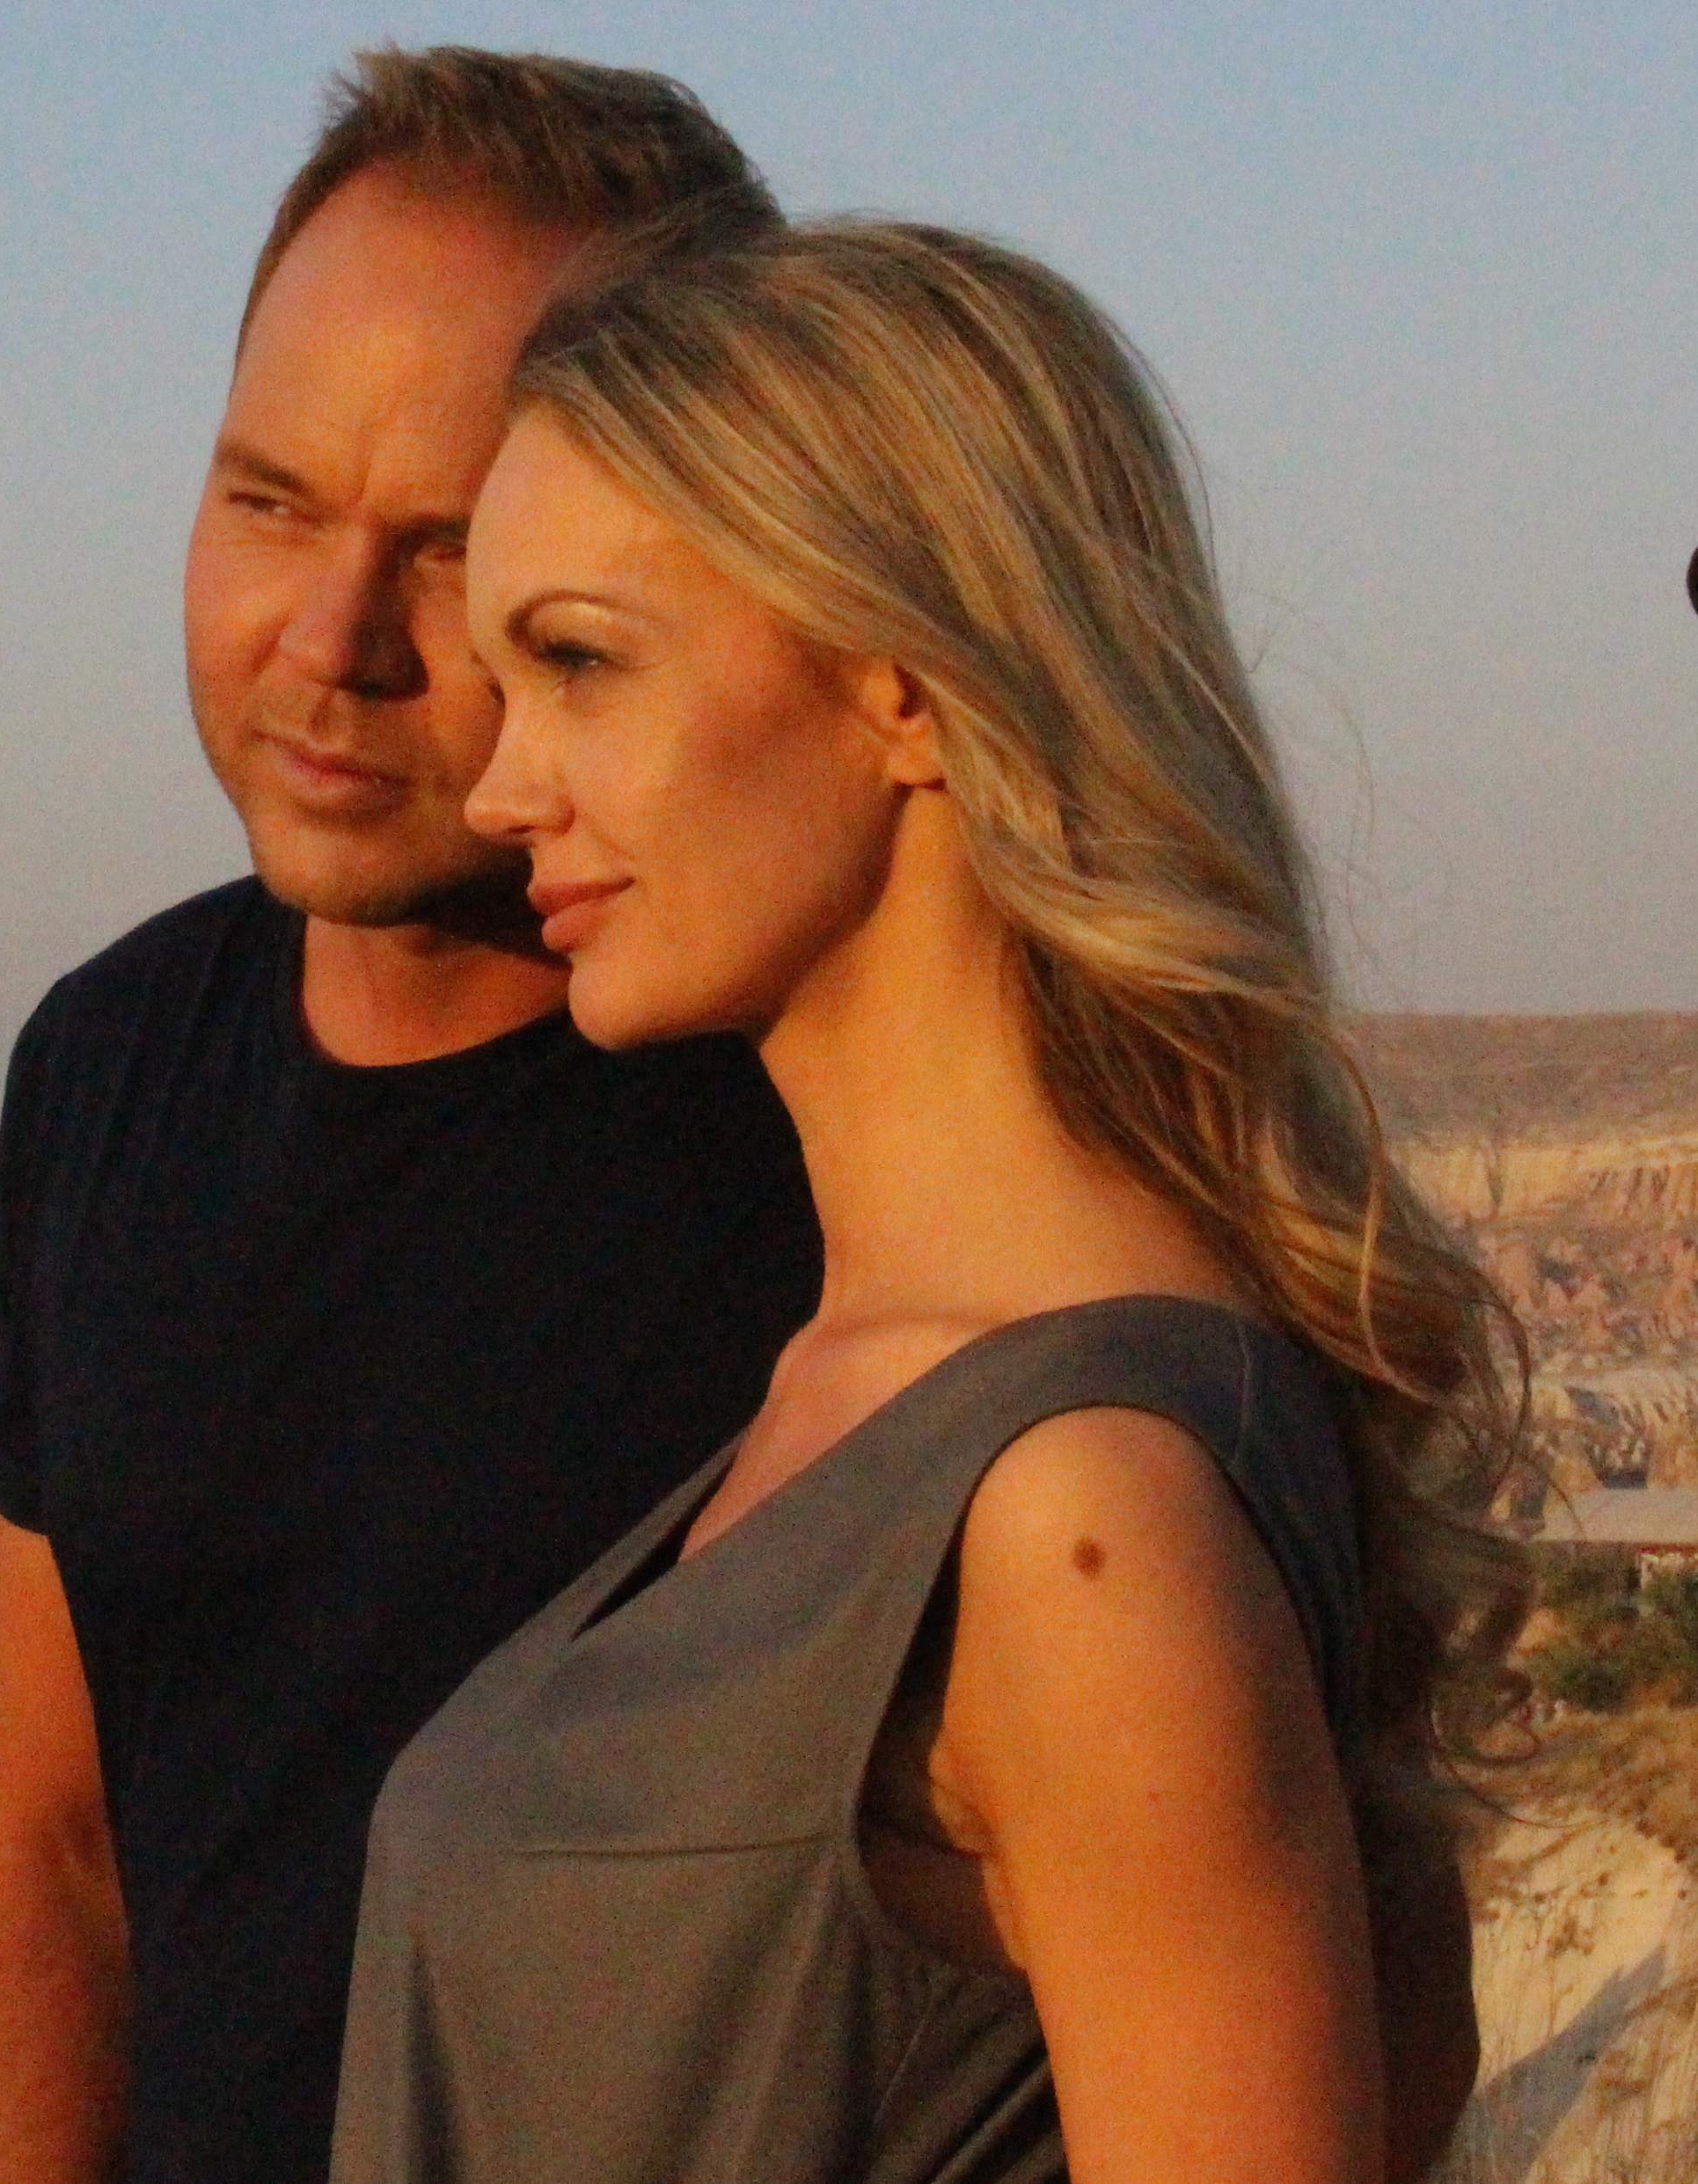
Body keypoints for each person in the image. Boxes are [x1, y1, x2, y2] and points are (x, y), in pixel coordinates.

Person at [331, 223, 1525, 2184]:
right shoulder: (871, 1396)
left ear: (905, 685)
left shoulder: (1079, 1514)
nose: (498, 788)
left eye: (579, 663)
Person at [0, 51, 823, 2184]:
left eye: (449, 550)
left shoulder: (833, 1133)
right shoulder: (107, 1066)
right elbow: (50, 1844)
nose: (328, 641)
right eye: (268, 502)